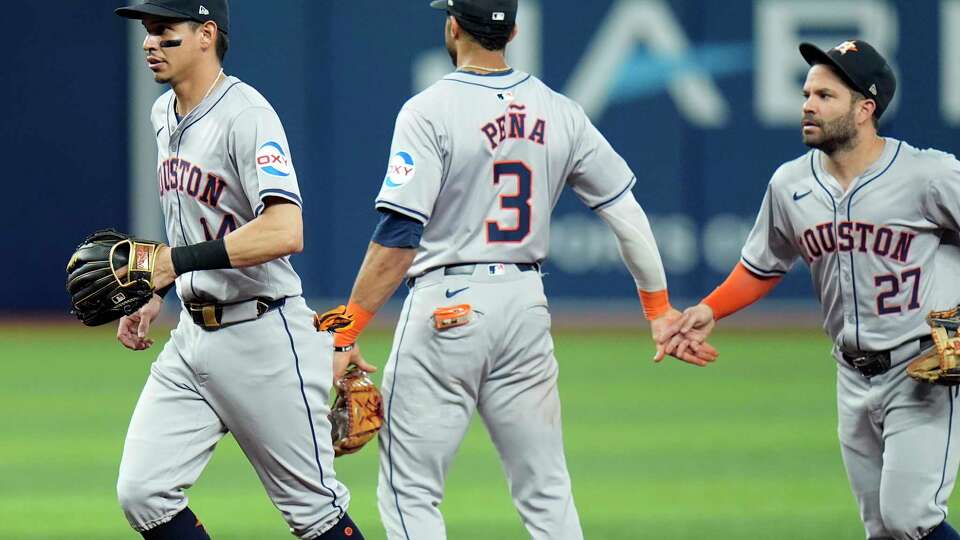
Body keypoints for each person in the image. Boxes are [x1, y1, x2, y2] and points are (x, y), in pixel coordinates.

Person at [323, 1, 717, 538]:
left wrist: (348, 327)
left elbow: (397, 239)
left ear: (454, 26)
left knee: (409, 491)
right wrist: (657, 308)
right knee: (546, 492)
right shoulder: (560, 111)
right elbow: (626, 213)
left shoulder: (429, 109)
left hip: (448, 306)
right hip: (525, 304)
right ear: (512, 30)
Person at [661, 40, 960, 540]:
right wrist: (710, 310)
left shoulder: (928, 175)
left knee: (911, 518)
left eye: (825, 95)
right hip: (850, 375)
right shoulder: (790, 185)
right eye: (806, 93)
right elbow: (761, 265)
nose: (808, 104)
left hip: (922, 371)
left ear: (865, 108)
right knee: (883, 530)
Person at [111, 1, 363, 538]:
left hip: (261, 336)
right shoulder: (163, 114)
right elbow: (190, 225)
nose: (149, 42)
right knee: (143, 493)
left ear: (206, 34)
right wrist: (158, 288)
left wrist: (174, 263)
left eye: (163, 30)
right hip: (191, 339)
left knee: (314, 513)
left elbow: (284, 230)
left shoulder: (247, 116)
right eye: (146, 31)